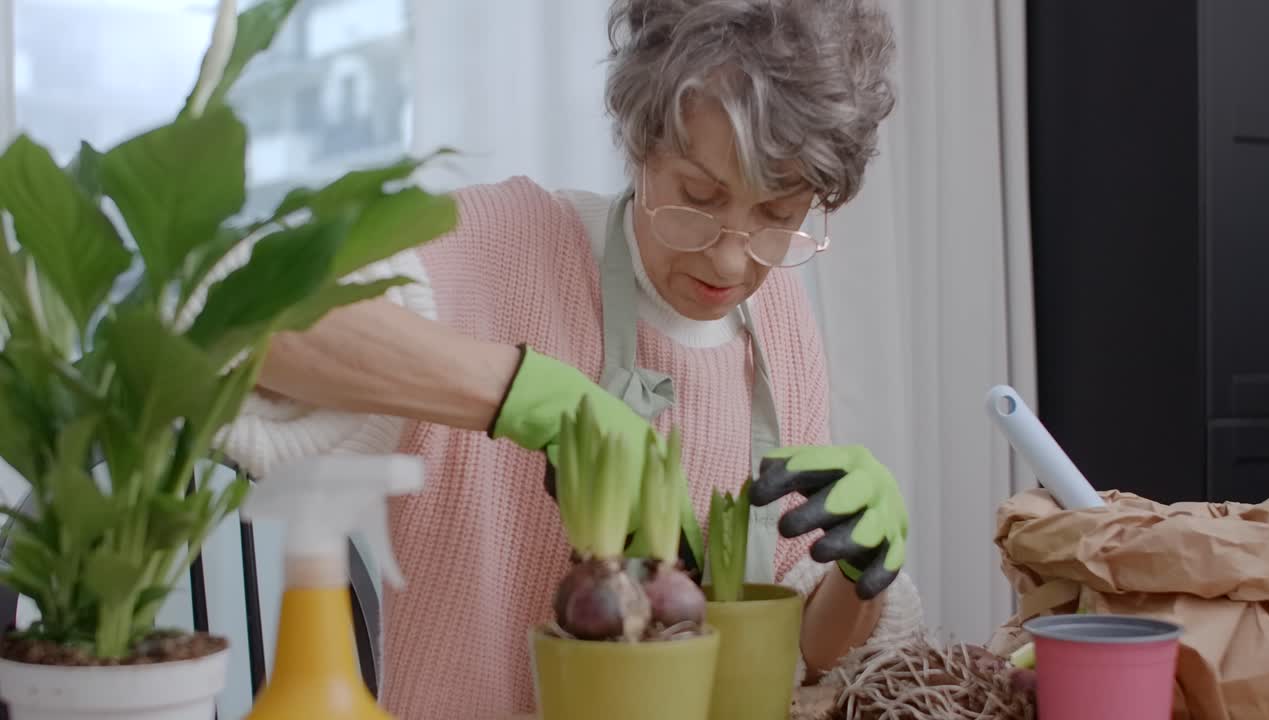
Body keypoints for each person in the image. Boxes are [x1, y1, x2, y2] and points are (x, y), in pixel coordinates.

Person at [215, 0, 924, 717]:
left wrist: (861, 571)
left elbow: (804, 653)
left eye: (778, 216)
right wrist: (532, 396)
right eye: (699, 196)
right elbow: (234, 311)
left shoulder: (780, 327)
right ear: (640, 139)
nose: (732, 259)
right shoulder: (509, 249)